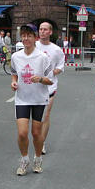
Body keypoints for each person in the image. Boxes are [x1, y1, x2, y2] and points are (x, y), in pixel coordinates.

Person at [11, 24, 53, 176]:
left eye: (29, 35)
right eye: (23, 35)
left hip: (39, 100)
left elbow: (51, 80)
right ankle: (24, 159)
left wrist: (41, 79)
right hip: (22, 99)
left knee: (36, 133)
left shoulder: (42, 57)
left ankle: (37, 158)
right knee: (22, 133)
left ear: (35, 38)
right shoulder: (16, 57)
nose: (26, 38)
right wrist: (14, 82)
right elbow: (14, 74)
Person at [36, 22, 65, 154]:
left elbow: (60, 66)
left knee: (45, 116)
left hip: (50, 87)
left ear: (50, 32)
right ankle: (37, 137)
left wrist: (54, 72)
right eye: (40, 29)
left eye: (45, 29)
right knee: (35, 118)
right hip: (33, 87)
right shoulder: (33, 46)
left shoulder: (56, 50)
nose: (42, 31)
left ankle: (41, 142)